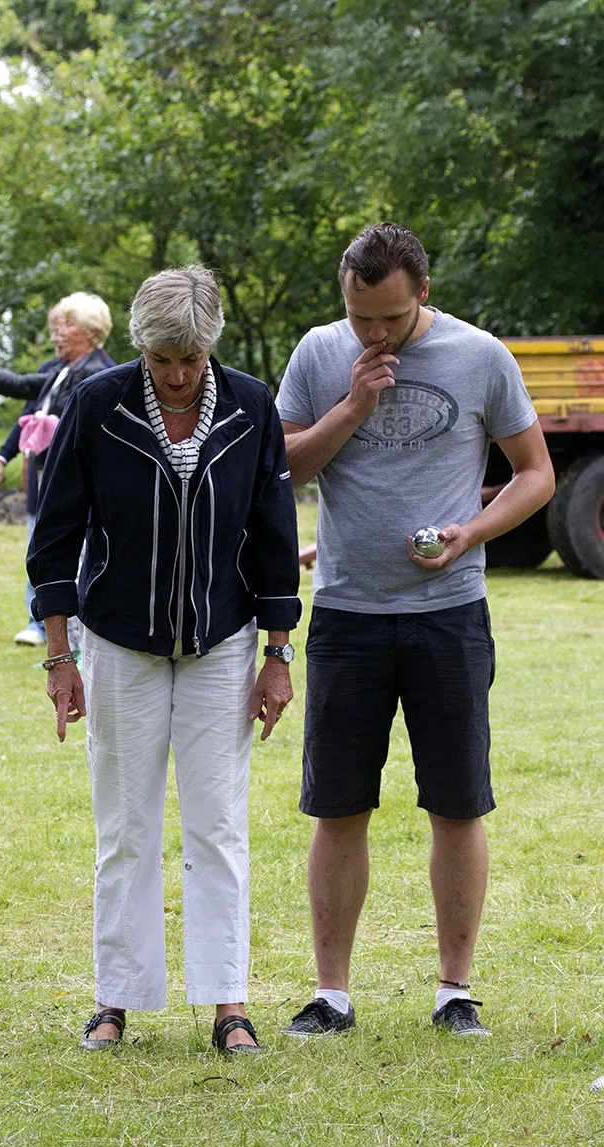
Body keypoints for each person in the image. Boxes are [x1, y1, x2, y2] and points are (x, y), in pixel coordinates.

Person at [276, 224, 555, 1038]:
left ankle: (454, 991)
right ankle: (331, 994)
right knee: (339, 808)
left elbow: (535, 473)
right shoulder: (320, 355)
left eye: (390, 320)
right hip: (347, 615)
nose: (373, 333)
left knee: (457, 805)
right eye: (360, 316)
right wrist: (355, 401)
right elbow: (286, 465)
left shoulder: (480, 357)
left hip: (449, 617)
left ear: (422, 293)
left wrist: (469, 533)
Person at [27, 266, 301, 1054]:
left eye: (190, 358)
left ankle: (228, 1004)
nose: (178, 375)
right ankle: (116, 998)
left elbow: (275, 536)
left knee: (217, 826)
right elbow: (55, 535)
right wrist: (59, 658)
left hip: (222, 643)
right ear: (142, 350)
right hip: (119, 642)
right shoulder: (96, 403)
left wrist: (278, 655)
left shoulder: (252, 407)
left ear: (210, 346)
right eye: (162, 360)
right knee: (125, 827)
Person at [0, 292, 115, 646]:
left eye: (66, 325)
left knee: (73, 556)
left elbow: (89, 431)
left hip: (77, 485)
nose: (56, 334)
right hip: (49, 477)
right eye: (55, 326)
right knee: (43, 546)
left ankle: (75, 638)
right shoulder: (60, 370)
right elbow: (21, 387)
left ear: (91, 331)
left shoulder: (99, 373)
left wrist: (51, 427)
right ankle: (44, 624)